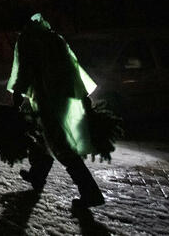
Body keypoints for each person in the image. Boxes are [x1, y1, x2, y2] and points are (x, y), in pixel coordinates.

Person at [7, 13, 104, 211]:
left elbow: (26, 69)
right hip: (65, 94)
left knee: (60, 145)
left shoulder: (28, 40)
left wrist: (17, 95)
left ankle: (90, 193)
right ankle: (37, 176)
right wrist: (81, 96)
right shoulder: (53, 37)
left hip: (46, 97)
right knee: (44, 139)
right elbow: (73, 66)